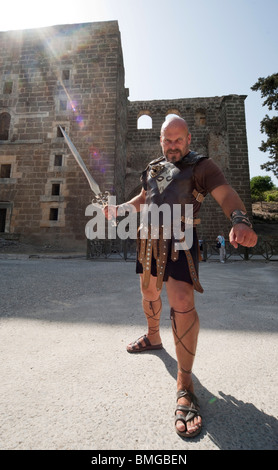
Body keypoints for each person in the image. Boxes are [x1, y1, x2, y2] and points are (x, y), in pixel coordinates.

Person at [103, 116, 257, 438]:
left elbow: (226, 193)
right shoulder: (155, 168)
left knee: (183, 301)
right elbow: (145, 198)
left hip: (181, 240)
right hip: (148, 239)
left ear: (188, 139)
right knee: (148, 294)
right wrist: (120, 210)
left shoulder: (203, 166)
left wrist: (240, 220)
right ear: (161, 140)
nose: (172, 146)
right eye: (167, 140)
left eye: (178, 140)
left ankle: (185, 385)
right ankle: (153, 337)